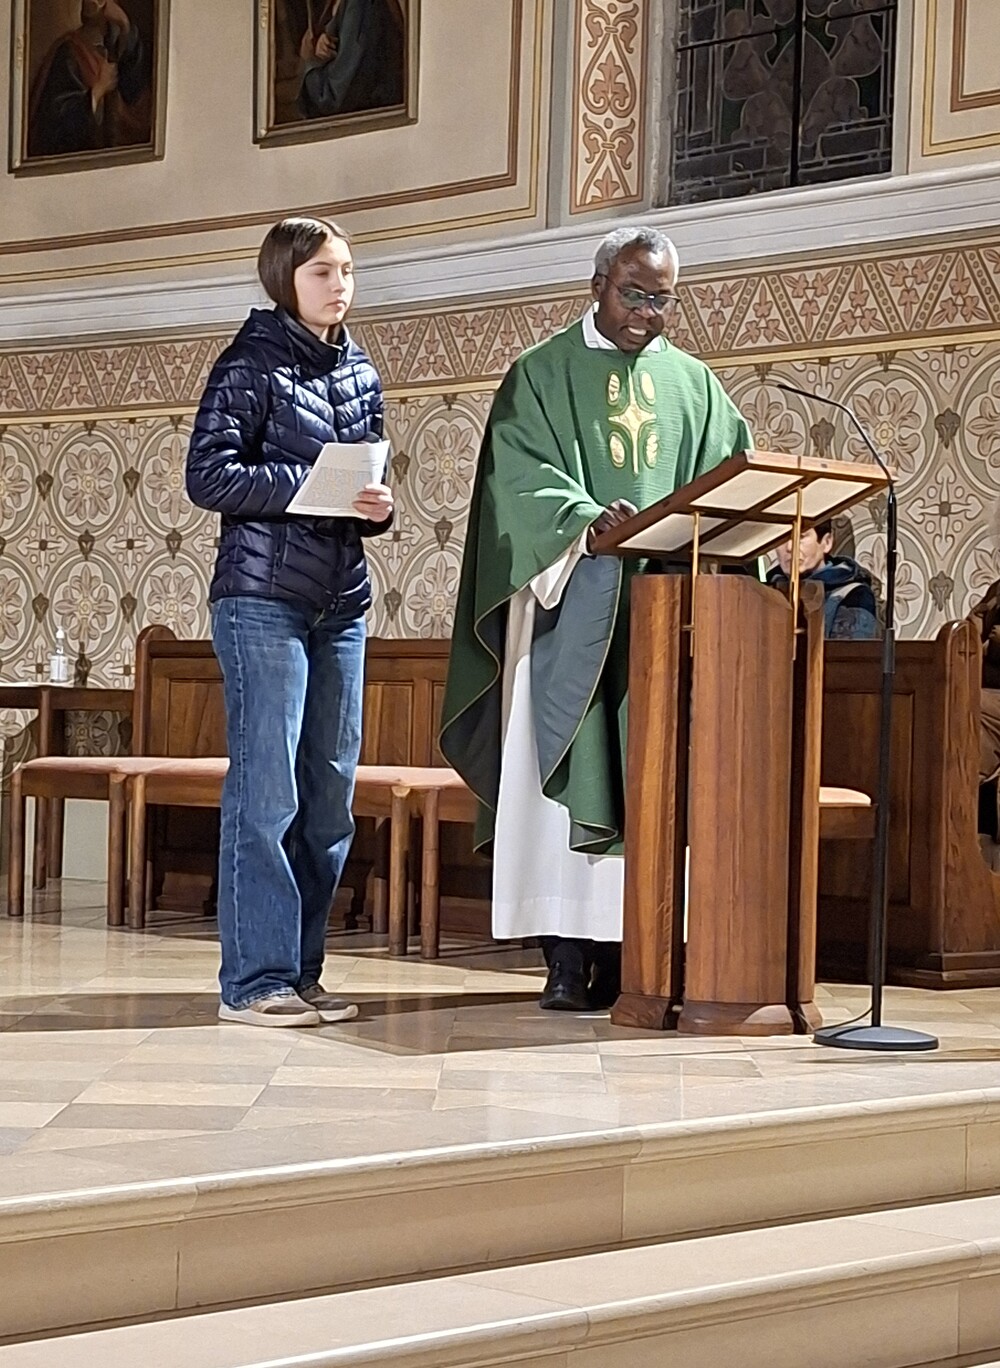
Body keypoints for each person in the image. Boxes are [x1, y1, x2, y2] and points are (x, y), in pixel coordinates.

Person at [440, 226, 752, 1012]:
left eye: (661, 300)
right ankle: (564, 958)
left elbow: (733, 482)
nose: (646, 313)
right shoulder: (540, 375)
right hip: (569, 611)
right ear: (597, 286)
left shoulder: (696, 387)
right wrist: (583, 523)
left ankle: (632, 954)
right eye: (633, 294)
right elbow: (517, 481)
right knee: (564, 773)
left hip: (662, 627)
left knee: (649, 782)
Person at [186, 217, 393, 1029]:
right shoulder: (249, 362)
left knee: (328, 799)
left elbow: (366, 477)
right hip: (261, 600)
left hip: (341, 602)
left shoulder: (360, 370)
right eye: (322, 273)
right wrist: (306, 484)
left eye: (346, 270)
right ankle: (254, 982)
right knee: (267, 794)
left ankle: (301, 974)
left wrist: (377, 506)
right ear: (284, 280)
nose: (340, 285)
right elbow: (208, 475)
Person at [27, 0, 147, 159]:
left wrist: (125, 24)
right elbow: (54, 124)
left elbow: (134, 94)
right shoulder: (68, 52)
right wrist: (97, 90)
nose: (91, 2)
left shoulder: (118, 44)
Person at [766, 521, 880, 639]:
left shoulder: (852, 594)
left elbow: (849, 648)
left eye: (801, 537)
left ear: (826, 542)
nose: (789, 547)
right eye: (782, 537)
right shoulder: (767, 590)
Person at [299, 0, 405, 120]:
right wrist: (321, 43)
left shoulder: (360, 5)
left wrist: (311, 63)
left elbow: (335, 97)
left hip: (370, 119)